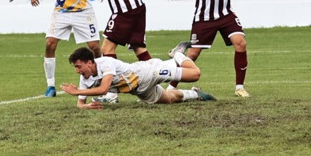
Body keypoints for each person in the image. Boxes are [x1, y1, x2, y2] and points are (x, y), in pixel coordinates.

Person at [60, 47, 215, 108]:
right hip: (139, 90)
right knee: (168, 100)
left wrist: (76, 92)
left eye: (78, 66)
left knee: (195, 74)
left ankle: (178, 55)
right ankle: (195, 94)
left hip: (148, 72)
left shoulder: (105, 63)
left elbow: (104, 89)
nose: (77, 71)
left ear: (89, 63)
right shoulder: (85, 79)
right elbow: (80, 104)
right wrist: (87, 106)